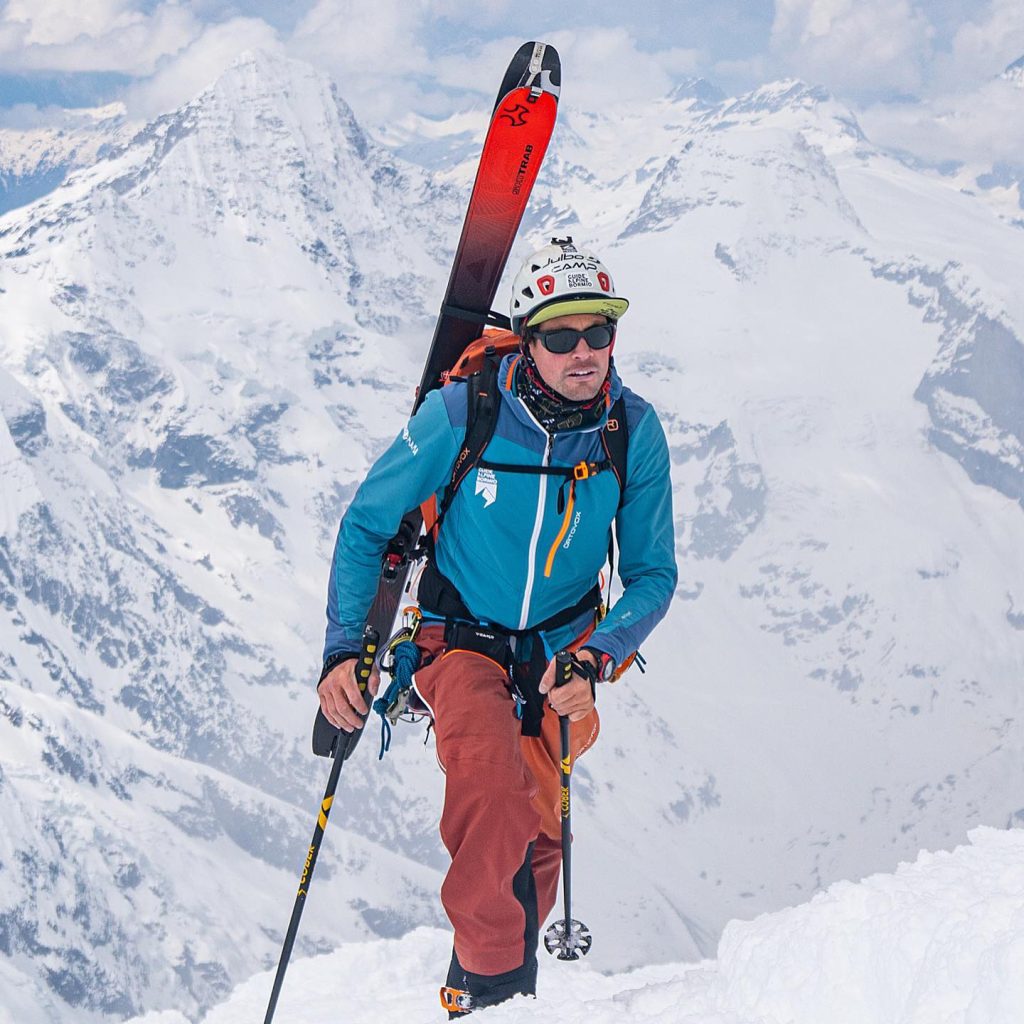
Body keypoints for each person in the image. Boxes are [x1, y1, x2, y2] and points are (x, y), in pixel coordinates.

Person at [317, 237, 676, 1013]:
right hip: (457, 643)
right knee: (492, 793)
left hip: (563, 655)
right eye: (560, 335)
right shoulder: (466, 412)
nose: (583, 353)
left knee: (541, 840)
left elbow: (653, 575)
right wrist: (345, 650)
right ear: (528, 336)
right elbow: (368, 524)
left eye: (599, 332)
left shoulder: (630, 432)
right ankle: (492, 995)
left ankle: (482, 975)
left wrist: (596, 657)